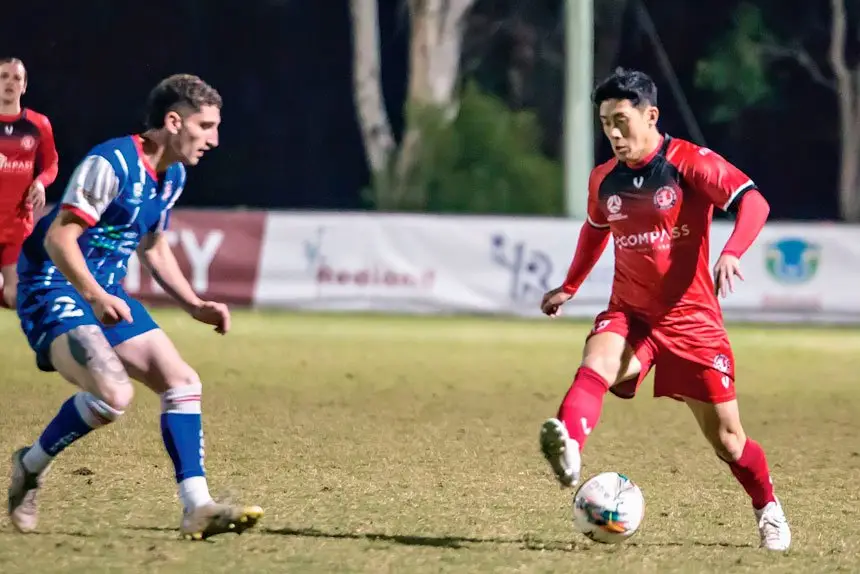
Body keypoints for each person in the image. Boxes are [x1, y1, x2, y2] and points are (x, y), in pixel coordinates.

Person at [538, 68, 791, 551]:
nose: (612, 133)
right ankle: (569, 445)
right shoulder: (604, 180)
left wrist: (732, 251)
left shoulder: (688, 162)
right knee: (597, 364)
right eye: (605, 122)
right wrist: (570, 285)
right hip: (631, 313)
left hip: (693, 322)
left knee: (730, 443)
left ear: (651, 115)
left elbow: (754, 203)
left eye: (622, 120)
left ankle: (768, 508)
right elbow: (595, 230)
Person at [8, 73, 263, 540]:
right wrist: (95, 296)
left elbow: (153, 246)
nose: (215, 139)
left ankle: (198, 507)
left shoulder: (174, 175)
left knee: (183, 382)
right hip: (53, 286)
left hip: (105, 292)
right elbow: (58, 236)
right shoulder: (112, 162)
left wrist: (193, 304)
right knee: (114, 395)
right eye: (205, 126)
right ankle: (29, 466)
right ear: (172, 121)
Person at [0, 57, 58, 309]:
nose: (10, 83)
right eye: (3, 76)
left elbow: (51, 164)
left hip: (16, 223)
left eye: (16, 78)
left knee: (14, 298)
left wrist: (41, 183)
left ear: (24, 86)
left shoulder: (38, 124)